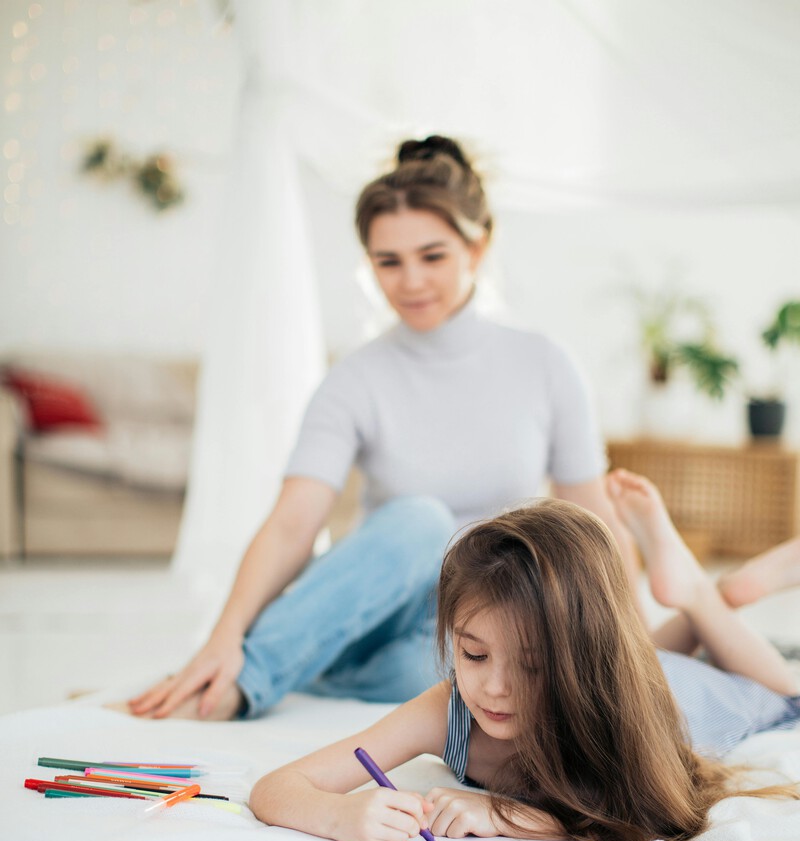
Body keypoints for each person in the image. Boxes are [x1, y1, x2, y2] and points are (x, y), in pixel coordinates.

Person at [127, 134, 638, 721]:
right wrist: (224, 636)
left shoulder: (545, 365)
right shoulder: (355, 378)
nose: (410, 281)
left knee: (458, 669)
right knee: (422, 521)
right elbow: (293, 523)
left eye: (432, 256)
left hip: (479, 625)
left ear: (477, 247)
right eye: (388, 262)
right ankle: (243, 680)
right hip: (377, 609)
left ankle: (316, 667)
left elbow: (593, 523)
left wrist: (635, 647)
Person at [249, 470, 800, 841]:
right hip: (635, 661)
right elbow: (278, 786)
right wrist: (339, 816)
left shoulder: (617, 707)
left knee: (787, 693)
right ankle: (700, 601)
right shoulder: (447, 711)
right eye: (474, 654)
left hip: (690, 692)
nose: (494, 688)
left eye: (532, 668)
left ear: (583, 663)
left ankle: (706, 595)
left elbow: (655, 815)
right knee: (646, 651)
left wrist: (504, 815)